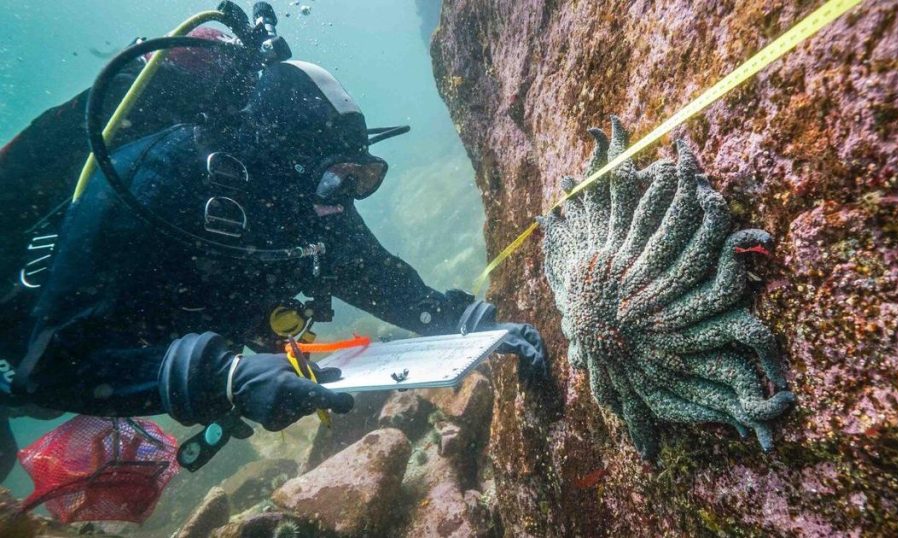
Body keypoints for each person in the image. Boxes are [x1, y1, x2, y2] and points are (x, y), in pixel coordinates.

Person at [0, 50, 546, 479]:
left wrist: (461, 321)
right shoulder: (154, 180)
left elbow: (371, 274)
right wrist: (225, 378)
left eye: (360, 178)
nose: (344, 199)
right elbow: (48, 368)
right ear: (276, 161)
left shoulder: (307, 200)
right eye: (336, 178)